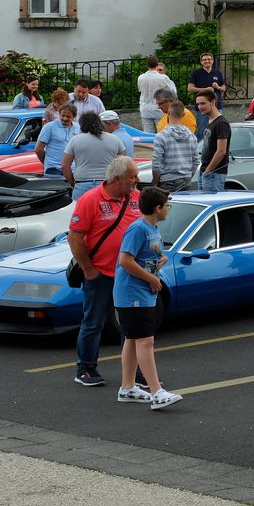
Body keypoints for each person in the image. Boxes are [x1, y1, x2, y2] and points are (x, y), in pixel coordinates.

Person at [69, 156, 142, 387]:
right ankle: (86, 369)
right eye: (132, 177)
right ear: (117, 178)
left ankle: (136, 373)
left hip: (129, 275)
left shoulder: (137, 198)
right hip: (101, 274)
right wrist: (88, 269)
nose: (137, 180)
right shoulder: (90, 200)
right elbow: (75, 237)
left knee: (131, 326)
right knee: (93, 322)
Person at [114, 186, 183, 410]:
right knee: (145, 340)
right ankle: (156, 392)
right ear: (157, 208)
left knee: (133, 339)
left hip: (142, 292)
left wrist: (160, 259)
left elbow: (149, 254)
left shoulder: (152, 229)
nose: (168, 210)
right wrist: (151, 279)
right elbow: (125, 259)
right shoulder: (138, 229)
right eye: (167, 206)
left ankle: (127, 387)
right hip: (133, 293)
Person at [63, 112, 127, 200]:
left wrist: (73, 183)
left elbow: (65, 166)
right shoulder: (115, 139)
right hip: (107, 184)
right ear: (99, 123)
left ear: (82, 125)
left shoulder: (75, 140)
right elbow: (124, 164)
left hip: (82, 184)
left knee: (80, 212)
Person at [151, 101, 200, 192]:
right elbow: (196, 161)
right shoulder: (191, 136)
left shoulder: (161, 136)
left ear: (168, 113)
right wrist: (189, 175)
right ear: (183, 114)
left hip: (167, 180)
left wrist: (155, 183)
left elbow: (156, 163)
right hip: (186, 179)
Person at [196, 89, 231, 192]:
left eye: (203, 103)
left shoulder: (221, 123)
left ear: (212, 102)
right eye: (198, 104)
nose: (200, 107)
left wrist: (208, 171)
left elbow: (221, 151)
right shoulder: (210, 120)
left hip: (215, 173)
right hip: (205, 170)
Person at [187, 52, 225, 140]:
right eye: (204, 60)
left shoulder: (217, 72)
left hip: (217, 106)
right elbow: (190, 88)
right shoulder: (196, 73)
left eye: (209, 59)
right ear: (201, 62)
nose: (207, 61)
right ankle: (199, 152)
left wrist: (218, 87)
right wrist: (205, 89)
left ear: (212, 61)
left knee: (217, 130)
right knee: (202, 131)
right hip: (202, 107)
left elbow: (223, 88)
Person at [35, 103, 79, 176]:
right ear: (59, 114)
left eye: (68, 116)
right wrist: (47, 163)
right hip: (53, 169)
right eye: (63, 116)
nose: (65, 118)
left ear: (74, 116)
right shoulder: (49, 127)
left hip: (72, 169)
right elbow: (38, 149)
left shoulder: (78, 127)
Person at [138, 56, 175, 133]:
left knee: (148, 135)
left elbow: (140, 90)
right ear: (157, 64)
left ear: (147, 65)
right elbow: (173, 92)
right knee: (162, 133)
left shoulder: (140, 78)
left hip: (145, 109)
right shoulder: (163, 77)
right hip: (160, 109)